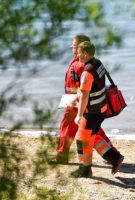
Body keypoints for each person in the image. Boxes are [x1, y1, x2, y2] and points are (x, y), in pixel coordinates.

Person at [50, 35, 121, 165]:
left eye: (75, 45)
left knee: (71, 129)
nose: (72, 47)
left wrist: (77, 105)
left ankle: (63, 156)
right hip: (87, 103)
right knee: (93, 130)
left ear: (83, 49)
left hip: (79, 103)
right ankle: (112, 154)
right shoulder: (93, 62)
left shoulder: (81, 65)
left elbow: (85, 88)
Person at [70, 41, 124, 178]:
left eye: (79, 54)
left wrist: (79, 114)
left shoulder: (87, 72)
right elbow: (96, 86)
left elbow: (85, 95)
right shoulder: (98, 63)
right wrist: (78, 95)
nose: (77, 56)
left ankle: (85, 169)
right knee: (91, 137)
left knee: (82, 139)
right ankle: (114, 158)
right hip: (101, 109)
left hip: (92, 112)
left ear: (86, 54)